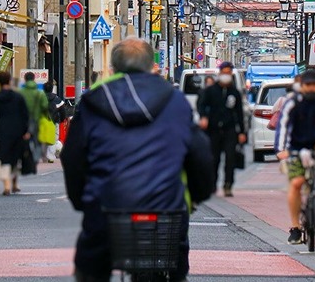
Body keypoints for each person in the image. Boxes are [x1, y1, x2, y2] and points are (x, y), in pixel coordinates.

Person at [61, 37, 214, 282]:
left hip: (106, 207)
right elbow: (200, 154)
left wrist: (81, 199)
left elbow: (72, 156)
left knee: (91, 267)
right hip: (165, 207)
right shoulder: (175, 101)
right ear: (152, 66)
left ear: (113, 68)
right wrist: (197, 195)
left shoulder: (94, 101)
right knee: (175, 261)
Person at [274, 70, 315, 245]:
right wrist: (281, 150)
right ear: (301, 86)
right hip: (296, 147)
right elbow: (283, 126)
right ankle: (295, 227)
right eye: (308, 85)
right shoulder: (292, 102)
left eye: (314, 85)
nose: (311, 88)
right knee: (296, 183)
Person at [197, 61, 246, 197]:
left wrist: (242, 132)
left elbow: (239, 113)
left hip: (230, 129)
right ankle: (212, 184)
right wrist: (204, 117)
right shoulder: (211, 91)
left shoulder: (234, 92)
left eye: (228, 73)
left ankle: (228, 184)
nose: (226, 75)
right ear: (219, 74)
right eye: (224, 73)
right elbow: (201, 105)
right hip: (213, 129)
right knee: (214, 158)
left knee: (230, 158)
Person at [0, 71, 30, 195]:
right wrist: (26, 130)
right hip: (18, 129)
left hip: (2, 129)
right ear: (9, 81)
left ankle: (7, 185)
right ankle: (15, 183)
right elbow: (25, 115)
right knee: (16, 156)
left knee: (4, 156)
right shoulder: (18, 97)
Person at [19, 71, 49, 161]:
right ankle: (35, 160)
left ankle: (23, 158)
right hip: (36, 120)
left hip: (22, 120)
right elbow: (45, 106)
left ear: (25, 80)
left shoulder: (20, 93)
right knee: (37, 141)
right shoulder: (40, 93)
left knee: (23, 140)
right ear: (34, 79)